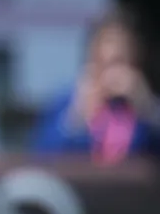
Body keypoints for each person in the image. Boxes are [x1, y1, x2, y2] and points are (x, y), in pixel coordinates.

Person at [33, 9, 159, 162]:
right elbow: (41, 158)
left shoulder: (144, 104)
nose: (113, 74)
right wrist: (78, 115)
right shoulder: (66, 101)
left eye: (119, 62)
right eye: (105, 64)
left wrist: (147, 108)